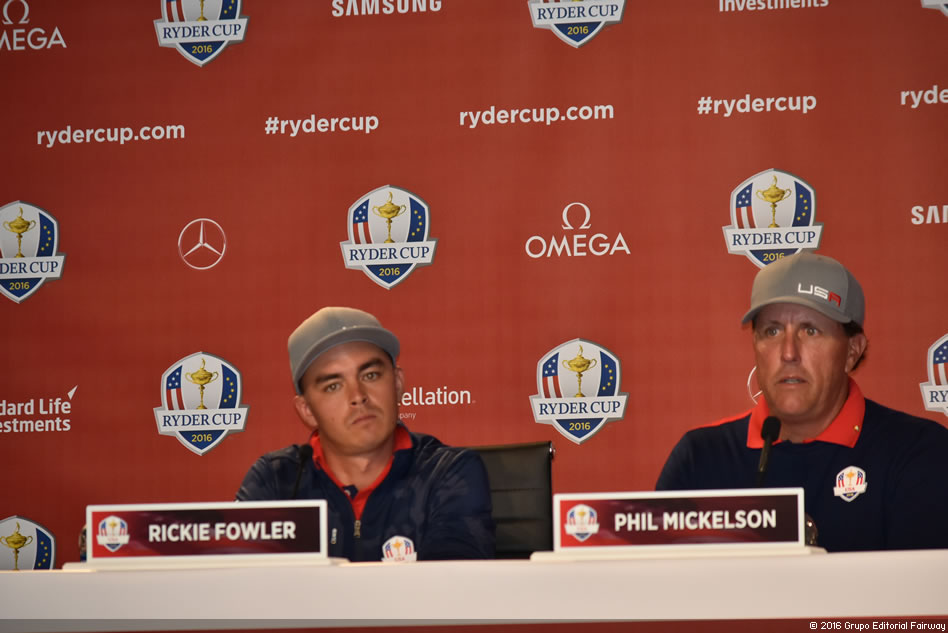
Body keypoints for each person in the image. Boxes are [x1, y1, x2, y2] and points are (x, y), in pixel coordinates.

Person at [656, 252, 948, 552]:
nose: (788, 353)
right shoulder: (701, 459)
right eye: (772, 331)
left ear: (852, 351)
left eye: (810, 330)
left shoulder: (918, 453)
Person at [237, 306, 495, 561]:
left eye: (370, 375)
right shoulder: (276, 481)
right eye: (333, 386)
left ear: (397, 384)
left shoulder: (446, 473)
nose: (358, 396)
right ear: (307, 410)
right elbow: (241, 581)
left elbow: (451, 582)